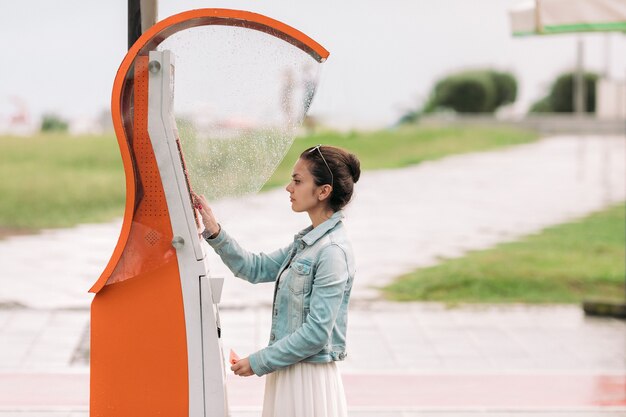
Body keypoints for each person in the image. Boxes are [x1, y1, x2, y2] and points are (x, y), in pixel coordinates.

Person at [193, 144, 361, 417]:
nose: (288, 188)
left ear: (323, 191)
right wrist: (214, 231)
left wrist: (258, 361)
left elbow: (317, 334)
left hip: (308, 380)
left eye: (297, 181)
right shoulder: (307, 244)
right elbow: (254, 268)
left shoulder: (331, 252)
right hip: (288, 370)